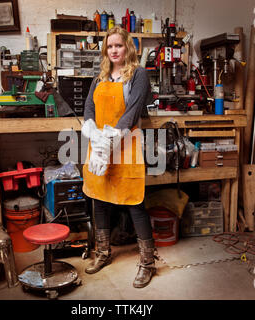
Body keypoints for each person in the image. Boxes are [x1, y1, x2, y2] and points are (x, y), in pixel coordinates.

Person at [81, 26, 156, 288]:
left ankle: (147, 263)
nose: (114, 50)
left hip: (125, 146)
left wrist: (111, 137)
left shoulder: (138, 75)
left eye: (119, 46)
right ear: (105, 50)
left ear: (128, 48)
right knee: (100, 199)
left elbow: (133, 110)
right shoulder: (99, 77)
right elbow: (89, 105)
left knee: (134, 201)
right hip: (100, 145)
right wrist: (91, 129)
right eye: (110, 46)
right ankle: (103, 253)